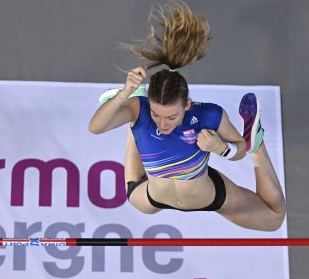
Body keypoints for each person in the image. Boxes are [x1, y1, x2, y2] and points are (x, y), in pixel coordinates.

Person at [88, 2, 286, 231]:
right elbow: (95, 127)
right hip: (151, 198)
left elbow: (238, 149)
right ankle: (129, 99)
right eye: (156, 114)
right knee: (136, 124)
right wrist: (124, 94)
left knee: (274, 218)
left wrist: (222, 148)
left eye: (171, 117)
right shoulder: (140, 108)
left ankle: (258, 144)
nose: (163, 124)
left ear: (187, 105)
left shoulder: (208, 114)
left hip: (206, 195)